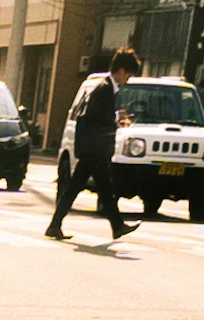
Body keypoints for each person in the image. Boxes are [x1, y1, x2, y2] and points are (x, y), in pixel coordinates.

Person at [46, 46, 139, 239]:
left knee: (78, 187)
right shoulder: (104, 89)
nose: (127, 80)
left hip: (92, 147)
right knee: (104, 188)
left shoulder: (105, 87)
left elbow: (96, 114)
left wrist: (114, 117)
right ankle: (117, 226)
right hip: (95, 148)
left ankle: (55, 225)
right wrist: (115, 118)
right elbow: (95, 115)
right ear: (120, 72)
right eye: (128, 76)